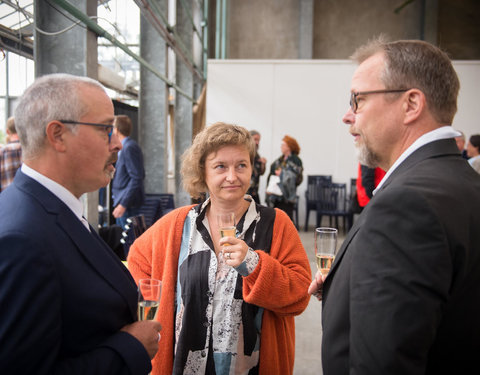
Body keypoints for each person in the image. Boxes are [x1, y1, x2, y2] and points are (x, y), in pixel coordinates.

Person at [308, 38, 480, 375]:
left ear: (411, 103)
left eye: (357, 99)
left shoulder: (405, 205)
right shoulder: (463, 184)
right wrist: (353, 278)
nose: (347, 116)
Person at [0, 73, 161, 374]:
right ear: (57, 135)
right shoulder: (23, 238)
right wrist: (130, 348)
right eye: (105, 129)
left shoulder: (49, 207)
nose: (116, 144)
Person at [127, 122, 311, 375]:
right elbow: (137, 258)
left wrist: (254, 264)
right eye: (221, 166)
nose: (232, 176)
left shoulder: (276, 225)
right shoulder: (178, 224)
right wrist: (154, 311)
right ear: (203, 172)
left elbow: (300, 295)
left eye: (241, 166)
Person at [112, 114, 146, 229]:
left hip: (128, 206)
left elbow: (137, 177)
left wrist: (123, 204)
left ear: (116, 130)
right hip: (125, 203)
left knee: (128, 241)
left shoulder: (129, 147)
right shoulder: (126, 146)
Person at [265, 135, 303, 221]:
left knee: (287, 219)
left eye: (283, 145)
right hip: (276, 195)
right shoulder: (280, 160)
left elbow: (298, 178)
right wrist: (269, 188)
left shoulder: (296, 160)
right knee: (276, 219)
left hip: (287, 196)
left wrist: (282, 174)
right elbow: (272, 173)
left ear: (290, 146)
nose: (281, 146)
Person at [0, 116, 22, 192]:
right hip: (29, 201)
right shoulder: (31, 150)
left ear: (8, 132)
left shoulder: (2, 152)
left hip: (5, 200)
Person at [246, 130, 266, 204]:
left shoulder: (257, 155)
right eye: (255, 139)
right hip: (245, 193)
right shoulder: (244, 153)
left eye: (258, 140)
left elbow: (261, 172)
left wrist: (263, 164)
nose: (257, 142)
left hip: (254, 193)